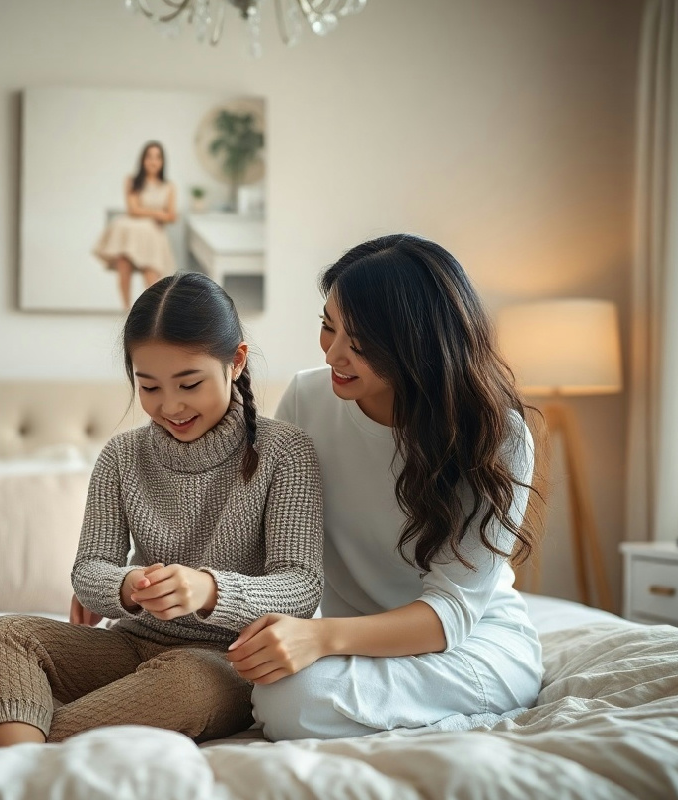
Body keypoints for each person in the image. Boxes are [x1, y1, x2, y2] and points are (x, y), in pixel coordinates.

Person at [0, 272, 324, 752]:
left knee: (189, 685)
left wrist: (208, 589)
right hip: (130, 645)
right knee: (3, 634)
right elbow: (88, 569)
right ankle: (19, 750)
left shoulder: (285, 451)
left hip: (224, 661)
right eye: (149, 387)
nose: (171, 405)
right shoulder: (121, 456)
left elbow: (301, 587)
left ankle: (1, 744)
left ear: (236, 361)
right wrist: (125, 587)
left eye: (189, 383)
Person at [226, 233, 543, 740]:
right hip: (346, 646)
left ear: (417, 345)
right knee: (273, 689)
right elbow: (262, 536)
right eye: (328, 328)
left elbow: (450, 613)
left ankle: (463, 717)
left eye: (362, 344)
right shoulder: (307, 400)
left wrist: (321, 637)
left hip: (466, 648)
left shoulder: (497, 437)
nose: (334, 355)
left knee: (291, 701)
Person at [93, 140, 178, 309]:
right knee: (124, 263)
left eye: (157, 157)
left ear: (162, 161)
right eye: (149, 157)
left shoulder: (169, 186)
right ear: (142, 160)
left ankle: (152, 313)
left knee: (152, 273)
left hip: (152, 235)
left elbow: (171, 215)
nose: (153, 161)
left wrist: (155, 214)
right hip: (130, 231)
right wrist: (157, 213)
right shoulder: (132, 181)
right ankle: (127, 309)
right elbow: (133, 210)